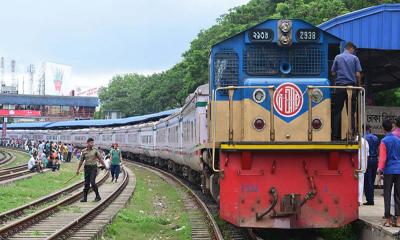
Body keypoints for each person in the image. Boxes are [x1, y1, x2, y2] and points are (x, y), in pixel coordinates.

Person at [331, 41, 362, 140]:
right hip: (351, 88)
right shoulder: (355, 58)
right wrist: (359, 86)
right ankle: (351, 135)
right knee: (351, 113)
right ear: (351, 48)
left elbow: (332, 72)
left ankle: (334, 135)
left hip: (340, 87)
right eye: (353, 50)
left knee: (337, 112)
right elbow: (357, 74)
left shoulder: (337, 57)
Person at [378, 119, 400, 227]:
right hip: (399, 170)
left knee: (387, 195)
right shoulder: (398, 140)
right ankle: (399, 221)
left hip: (388, 171)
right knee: (398, 195)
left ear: (383, 129)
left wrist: (379, 171)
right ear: (392, 128)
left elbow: (382, 159)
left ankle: (388, 220)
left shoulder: (384, 141)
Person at [76, 138, 105, 202]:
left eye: (93, 142)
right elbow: (81, 161)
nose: (92, 144)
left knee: (92, 182)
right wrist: (78, 170)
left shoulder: (95, 150)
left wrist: (104, 165)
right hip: (87, 168)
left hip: (93, 168)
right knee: (86, 183)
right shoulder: (84, 151)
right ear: (87, 143)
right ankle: (85, 198)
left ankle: (98, 196)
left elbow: (100, 158)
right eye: (91, 142)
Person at [363, 124, 379, 205]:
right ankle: (371, 198)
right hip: (375, 159)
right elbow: (377, 148)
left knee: (367, 181)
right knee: (372, 180)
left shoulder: (363, 138)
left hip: (368, 159)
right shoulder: (375, 137)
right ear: (370, 129)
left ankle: (370, 199)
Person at [358, 135, 369, 206]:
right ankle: (359, 200)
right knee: (361, 182)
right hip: (362, 165)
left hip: (354, 163)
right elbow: (367, 155)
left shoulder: (352, 141)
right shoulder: (365, 141)